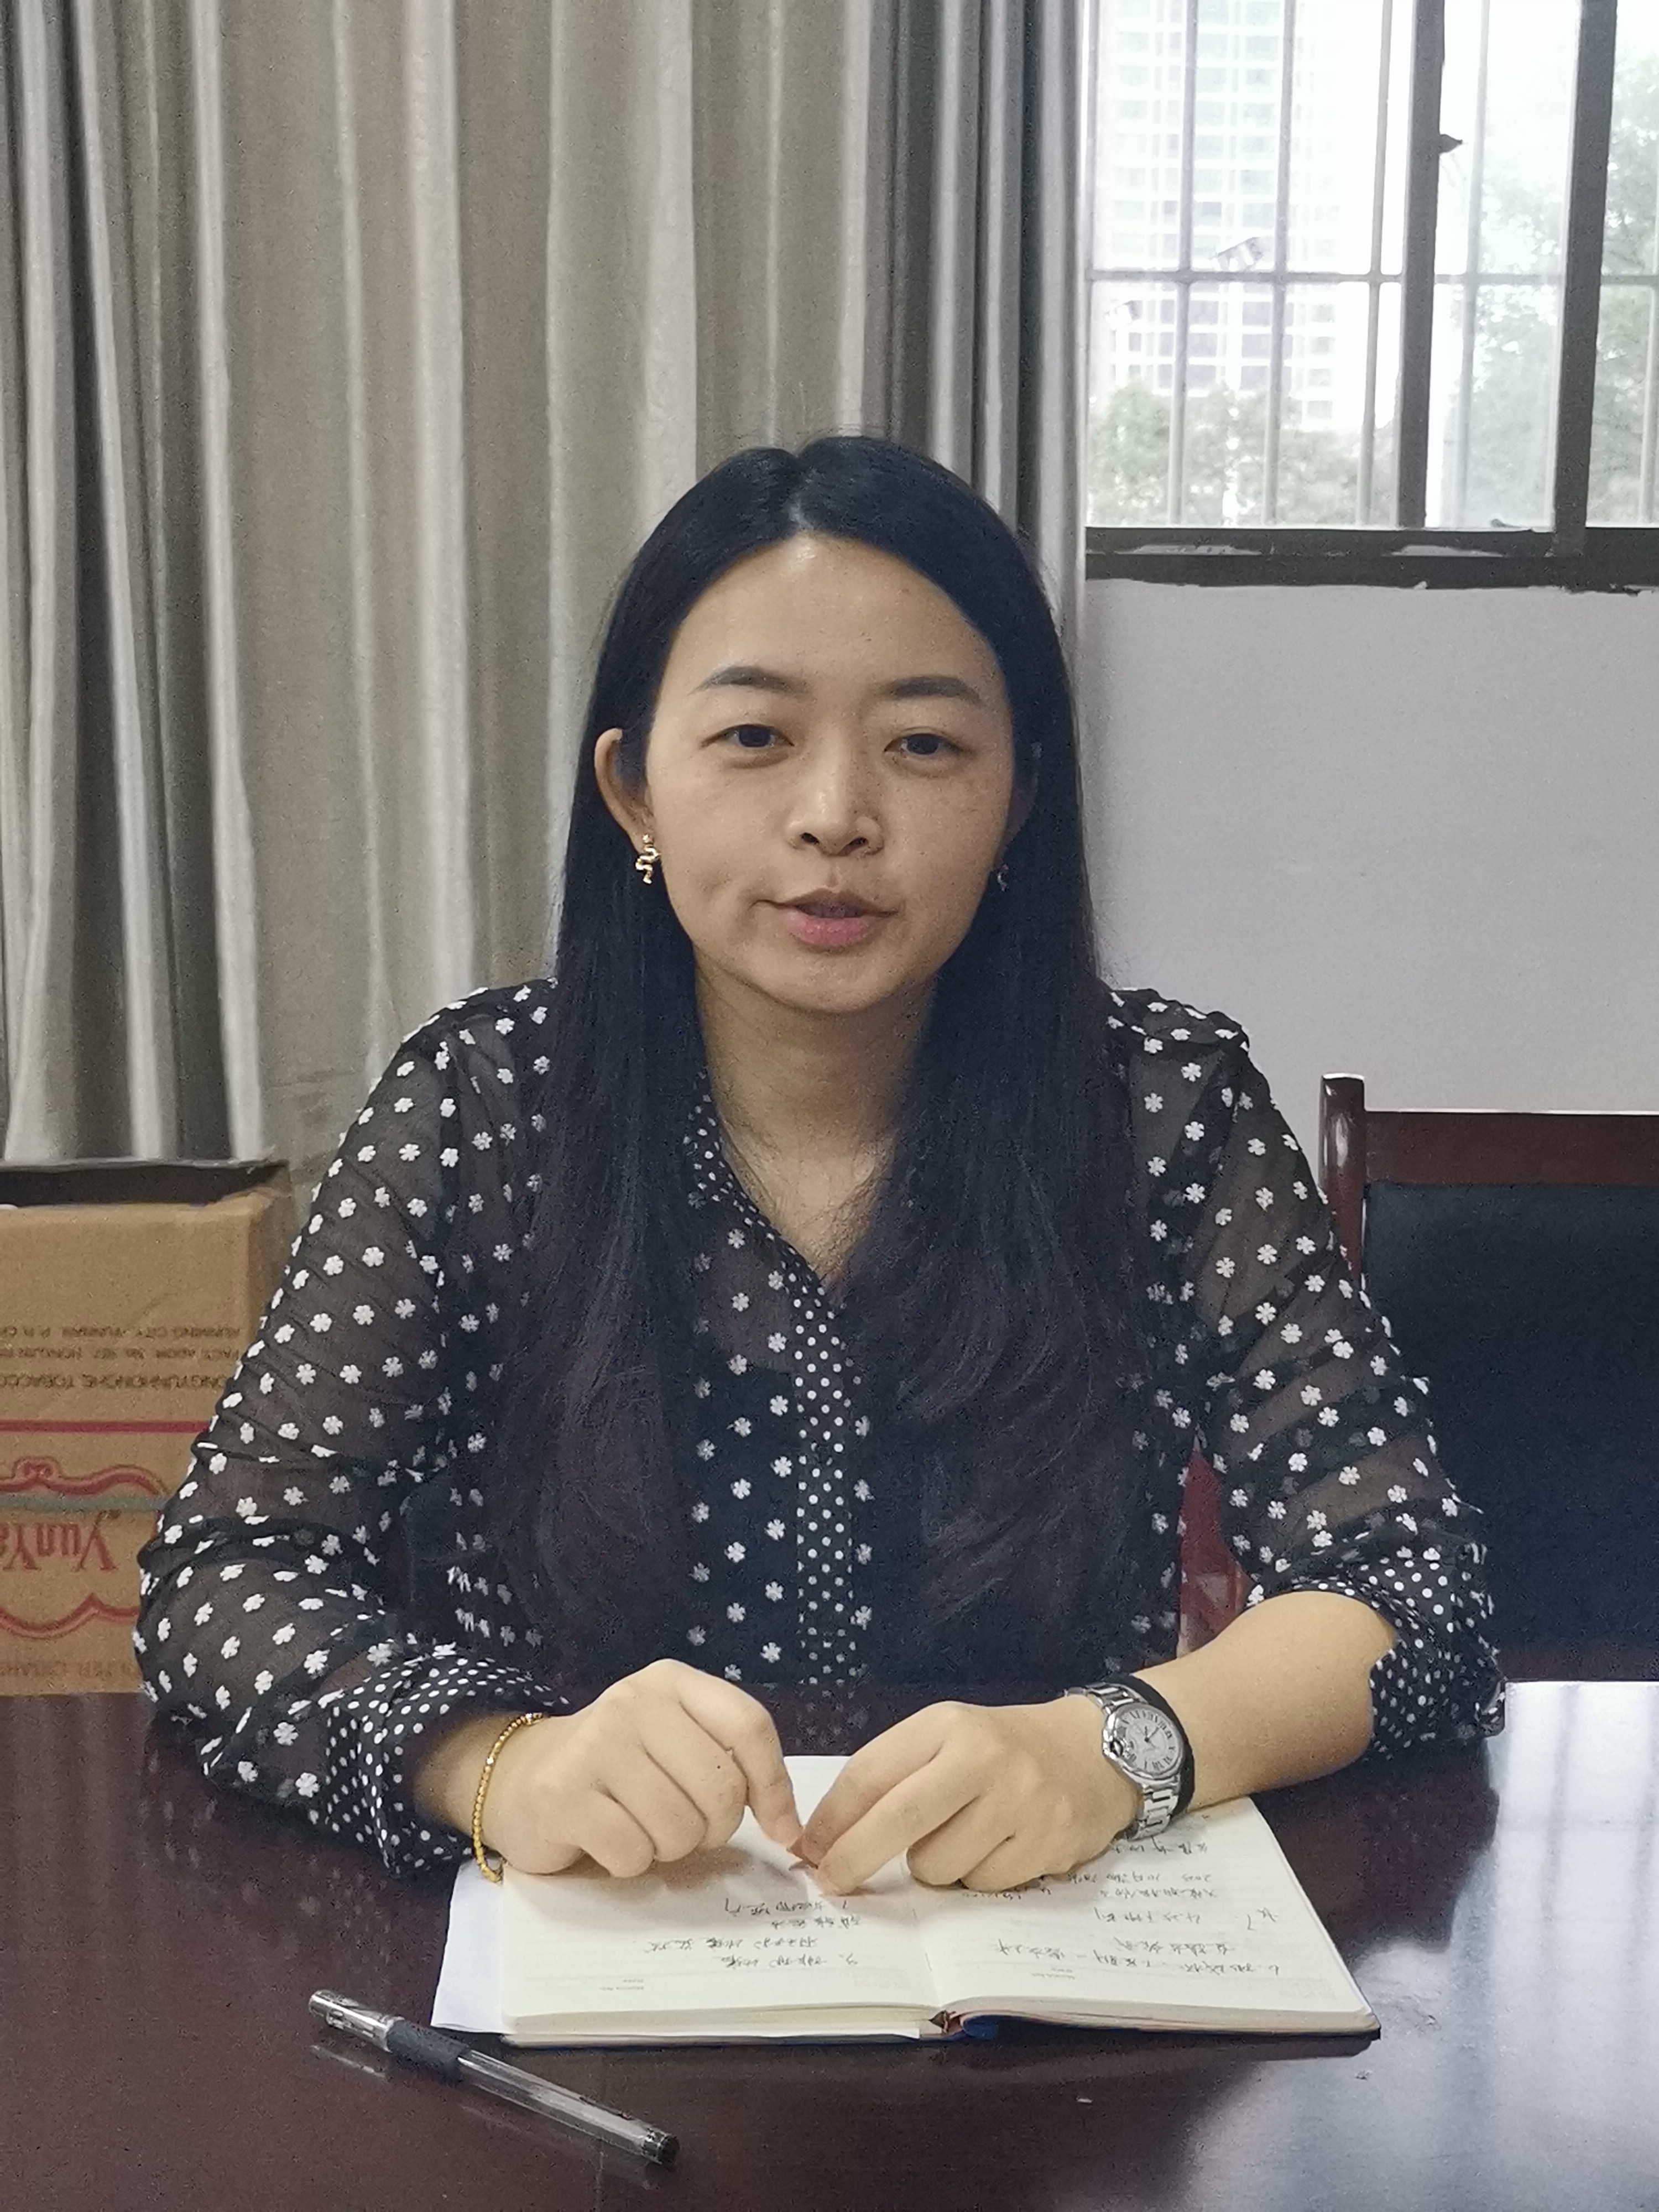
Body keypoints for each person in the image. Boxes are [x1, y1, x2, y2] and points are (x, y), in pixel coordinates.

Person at [135, 437, 1502, 1895]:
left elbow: (1411, 1585)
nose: (836, 813)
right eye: (755, 736)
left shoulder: (1163, 1112)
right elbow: (227, 1572)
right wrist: (498, 1764)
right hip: (594, 1947)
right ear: (633, 790)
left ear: (1018, 797)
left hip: (1033, 1948)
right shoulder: (483, 1109)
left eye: (925, 744)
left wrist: (1115, 1748)